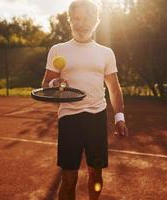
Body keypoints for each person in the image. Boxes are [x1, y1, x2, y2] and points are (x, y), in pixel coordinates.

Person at [41, 0, 128, 199]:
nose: (81, 23)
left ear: (96, 21)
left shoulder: (106, 53)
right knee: (69, 177)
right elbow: (46, 85)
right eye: (77, 19)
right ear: (70, 21)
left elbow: (114, 89)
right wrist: (56, 84)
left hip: (96, 118)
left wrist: (120, 117)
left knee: (95, 173)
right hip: (69, 118)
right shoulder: (57, 50)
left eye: (87, 18)